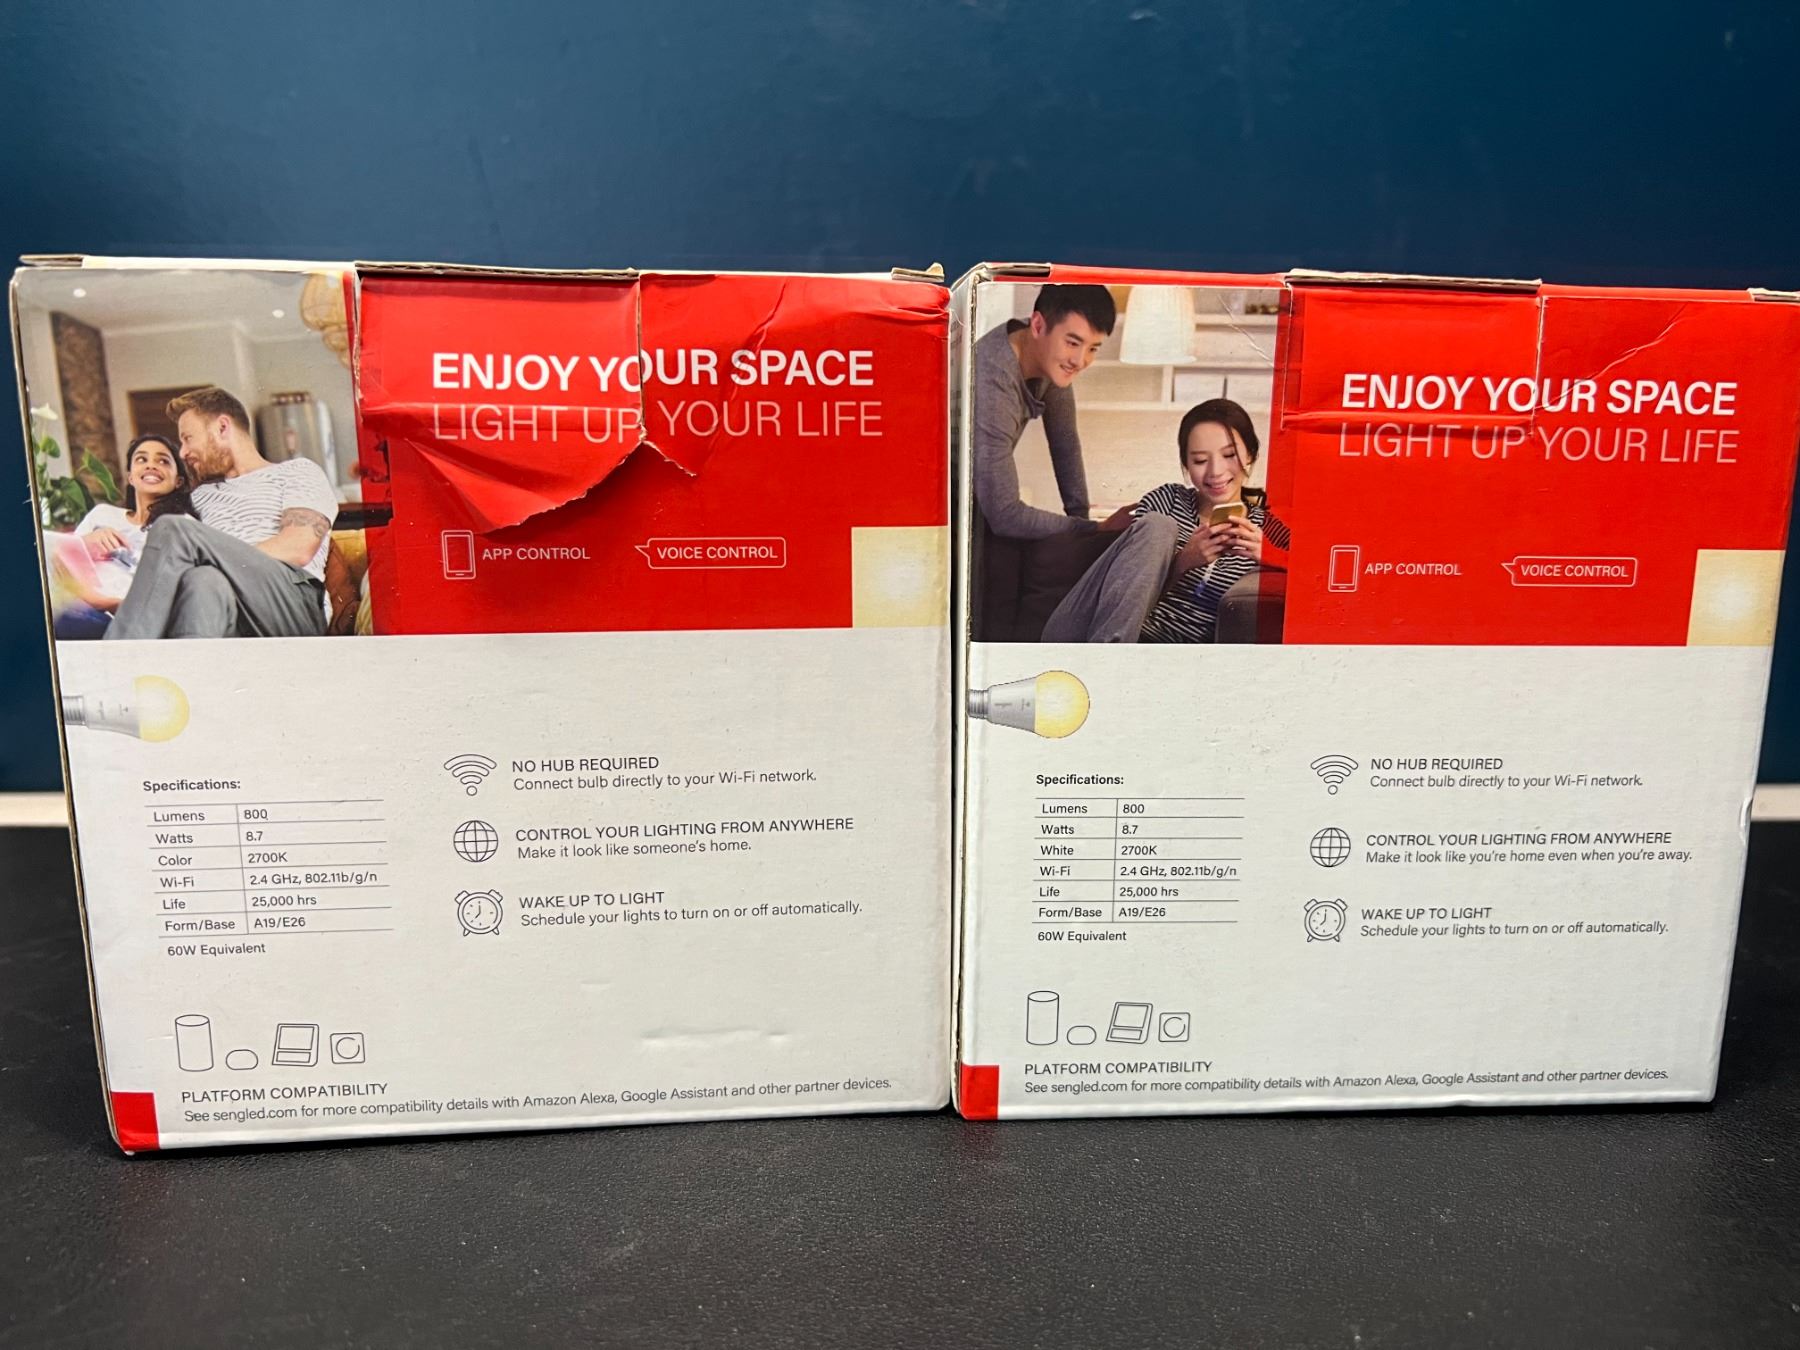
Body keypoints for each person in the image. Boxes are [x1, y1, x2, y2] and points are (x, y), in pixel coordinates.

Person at [1042, 398, 1289, 643]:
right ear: (1186, 465)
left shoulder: (1265, 527)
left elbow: (1313, 578)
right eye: (1200, 460)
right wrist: (1183, 562)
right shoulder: (1167, 500)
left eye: (1229, 455)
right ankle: (1110, 656)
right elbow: (1124, 589)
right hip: (1087, 631)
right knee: (1159, 526)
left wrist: (1271, 555)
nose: (1215, 471)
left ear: (1250, 454)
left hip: (1171, 652)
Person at [106, 387, 339, 639]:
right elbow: (154, 550)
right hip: (228, 607)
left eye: (188, 438)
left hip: (290, 604)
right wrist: (93, 538)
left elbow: (298, 547)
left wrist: (213, 555)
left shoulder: (297, 471)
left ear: (222, 427)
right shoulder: (200, 496)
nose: (182, 452)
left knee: (172, 529)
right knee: (203, 580)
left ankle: (121, 651)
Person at [971, 283, 1115, 540]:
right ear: (1037, 326)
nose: (1080, 361)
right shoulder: (992, 378)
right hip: (942, 508)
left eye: (1092, 348)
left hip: (979, 502)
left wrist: (1085, 531)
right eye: (1072, 343)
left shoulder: (1047, 355)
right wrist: (1093, 529)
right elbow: (1004, 515)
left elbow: (1065, 444)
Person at [49, 434, 198, 638]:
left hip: (130, 622)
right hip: (81, 609)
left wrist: (103, 602)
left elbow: (179, 594)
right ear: (131, 477)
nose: (151, 465)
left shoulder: (184, 526)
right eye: (141, 459)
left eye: (163, 461)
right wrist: (84, 542)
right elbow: (57, 562)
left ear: (178, 481)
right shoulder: (102, 514)